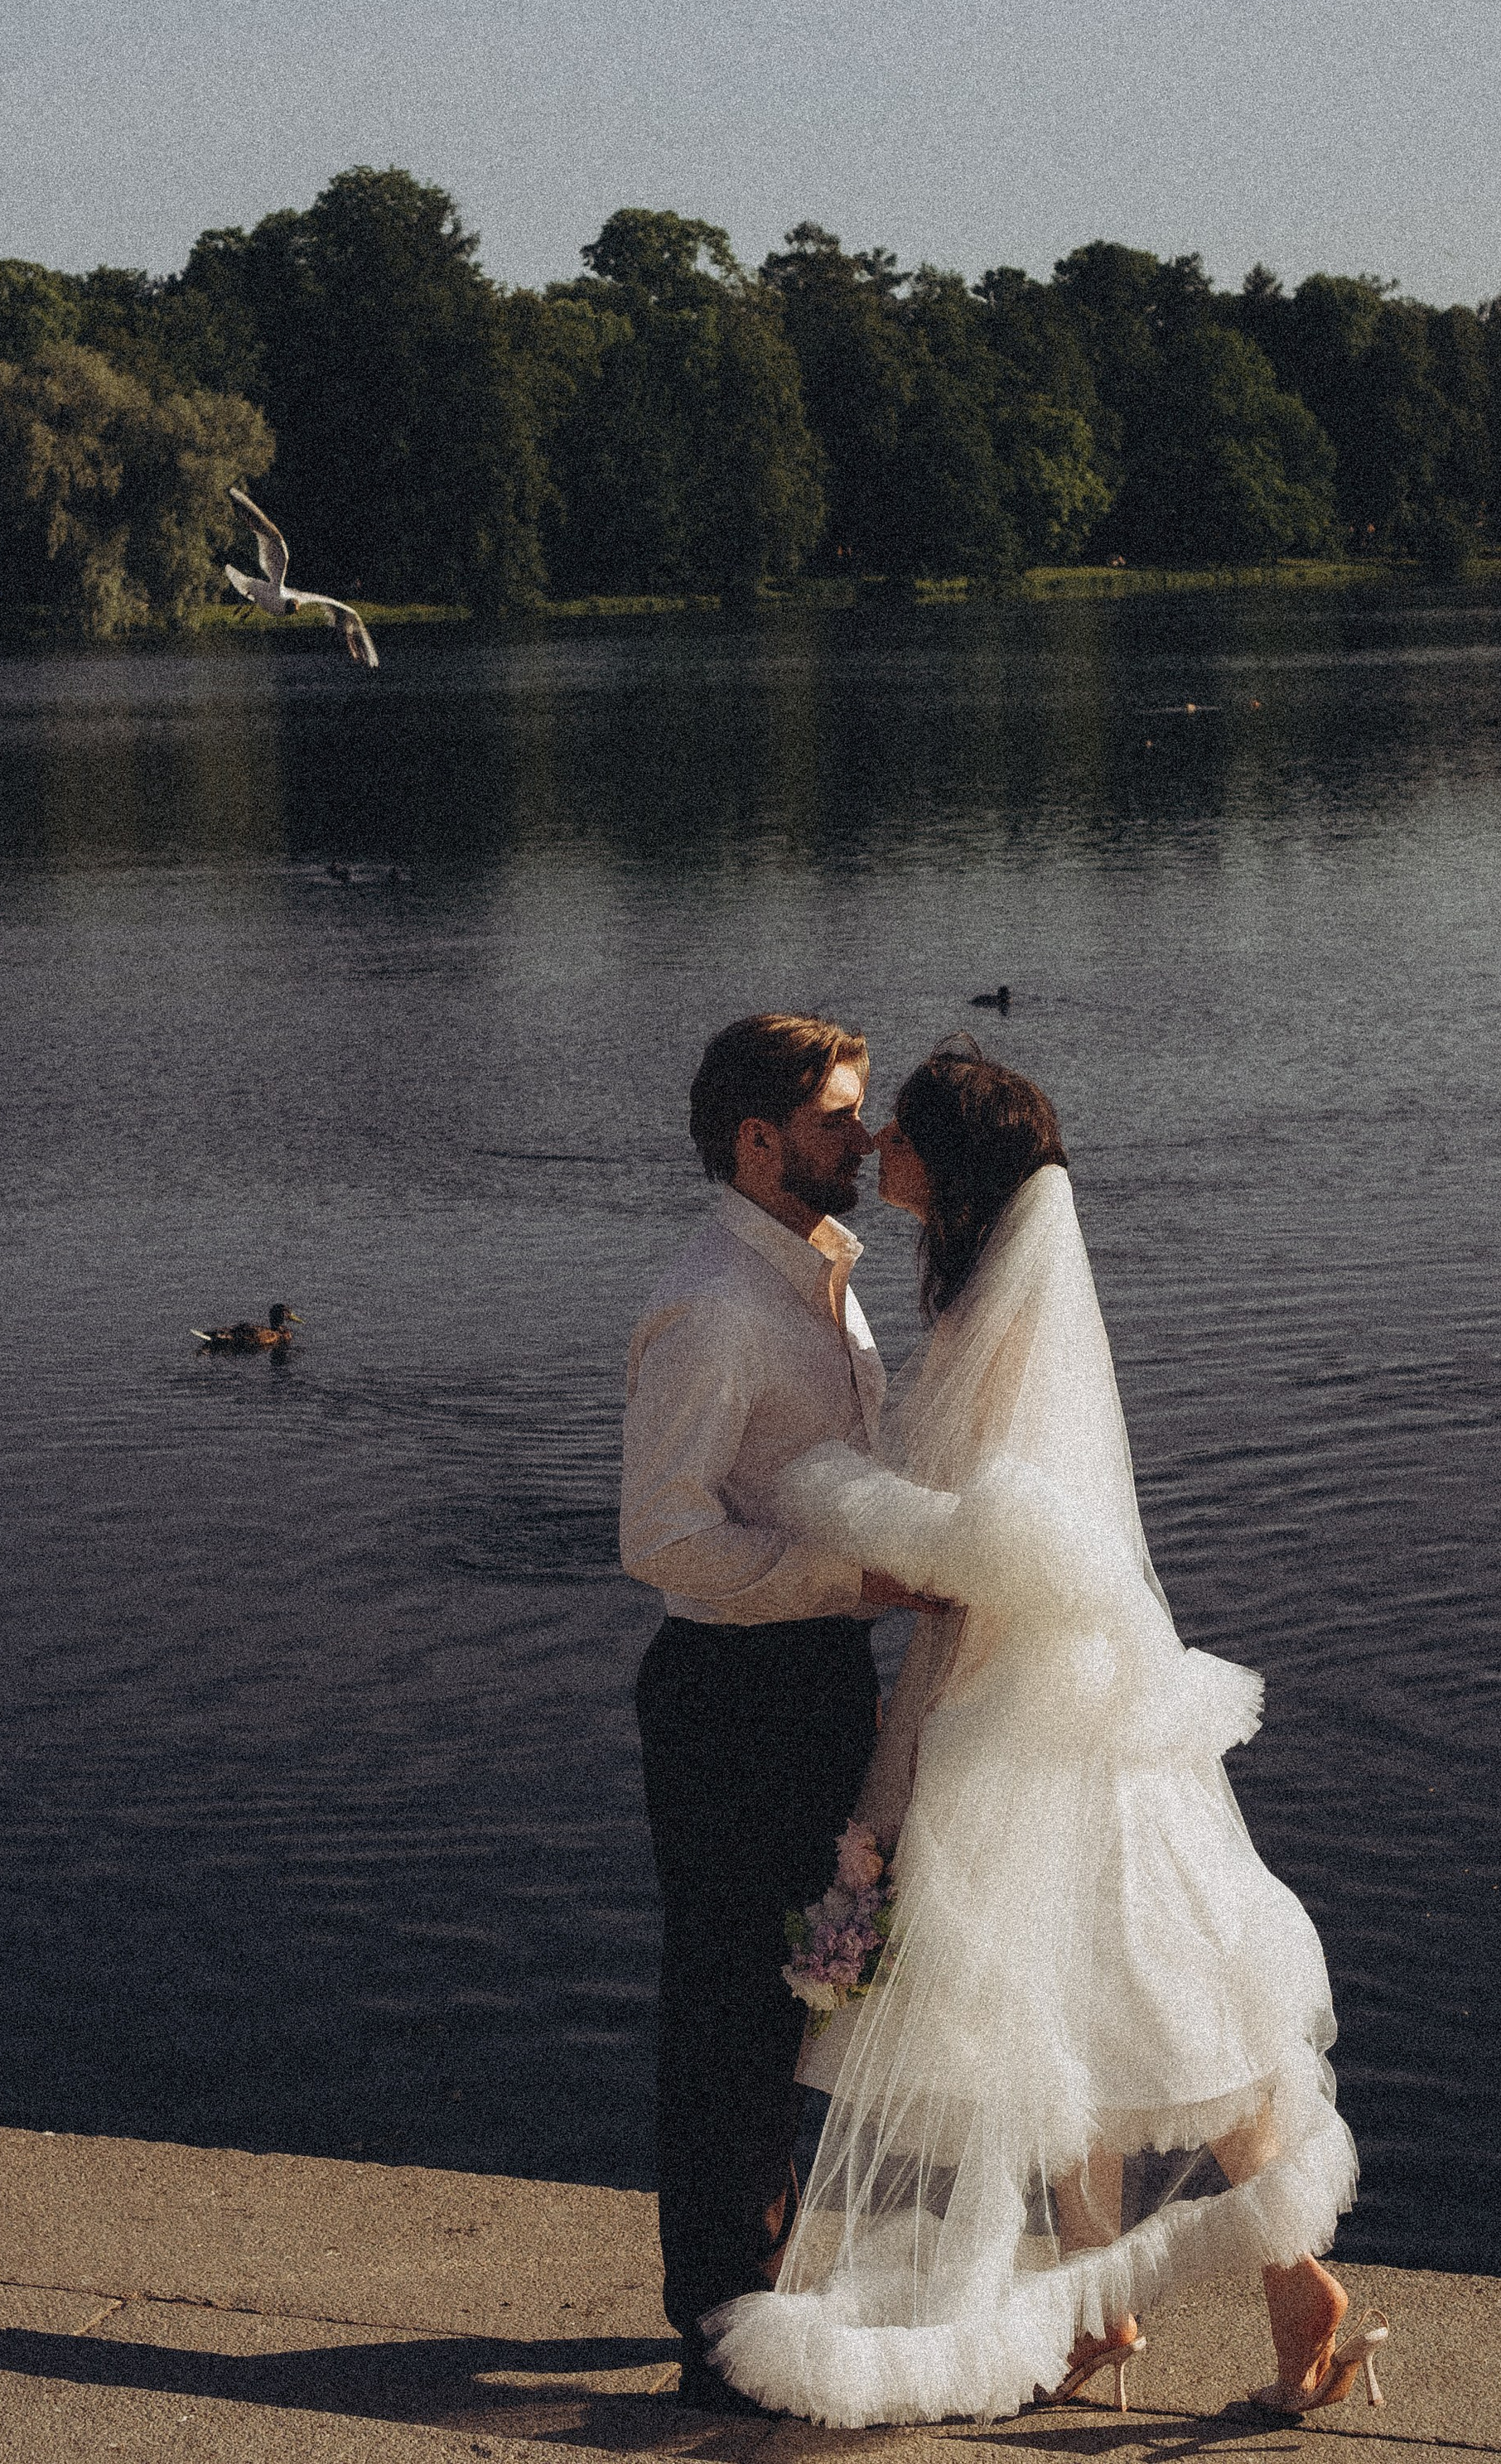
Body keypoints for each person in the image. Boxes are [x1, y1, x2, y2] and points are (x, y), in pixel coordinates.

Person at [706, 1039, 1386, 2429]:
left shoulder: (1013, 1308)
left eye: (898, 1132)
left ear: (950, 1164)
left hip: (1045, 1704)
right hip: (998, 1689)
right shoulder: (976, 1290)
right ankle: (1099, 2306)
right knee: (1054, 2006)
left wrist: (822, 1491)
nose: (877, 1147)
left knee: (1149, 1993)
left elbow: (1018, 1541)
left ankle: (1295, 2282)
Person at [620, 1013, 942, 2413]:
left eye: (861, 1114)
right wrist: (849, 1575)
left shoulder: (816, 1276)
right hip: (730, 1690)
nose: (862, 1138)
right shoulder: (713, 1303)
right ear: (758, 1141)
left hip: (810, 1675)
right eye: (834, 1117)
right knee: (730, 2002)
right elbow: (663, 1541)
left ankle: (752, 2280)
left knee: (803, 1985)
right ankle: (714, 2320)